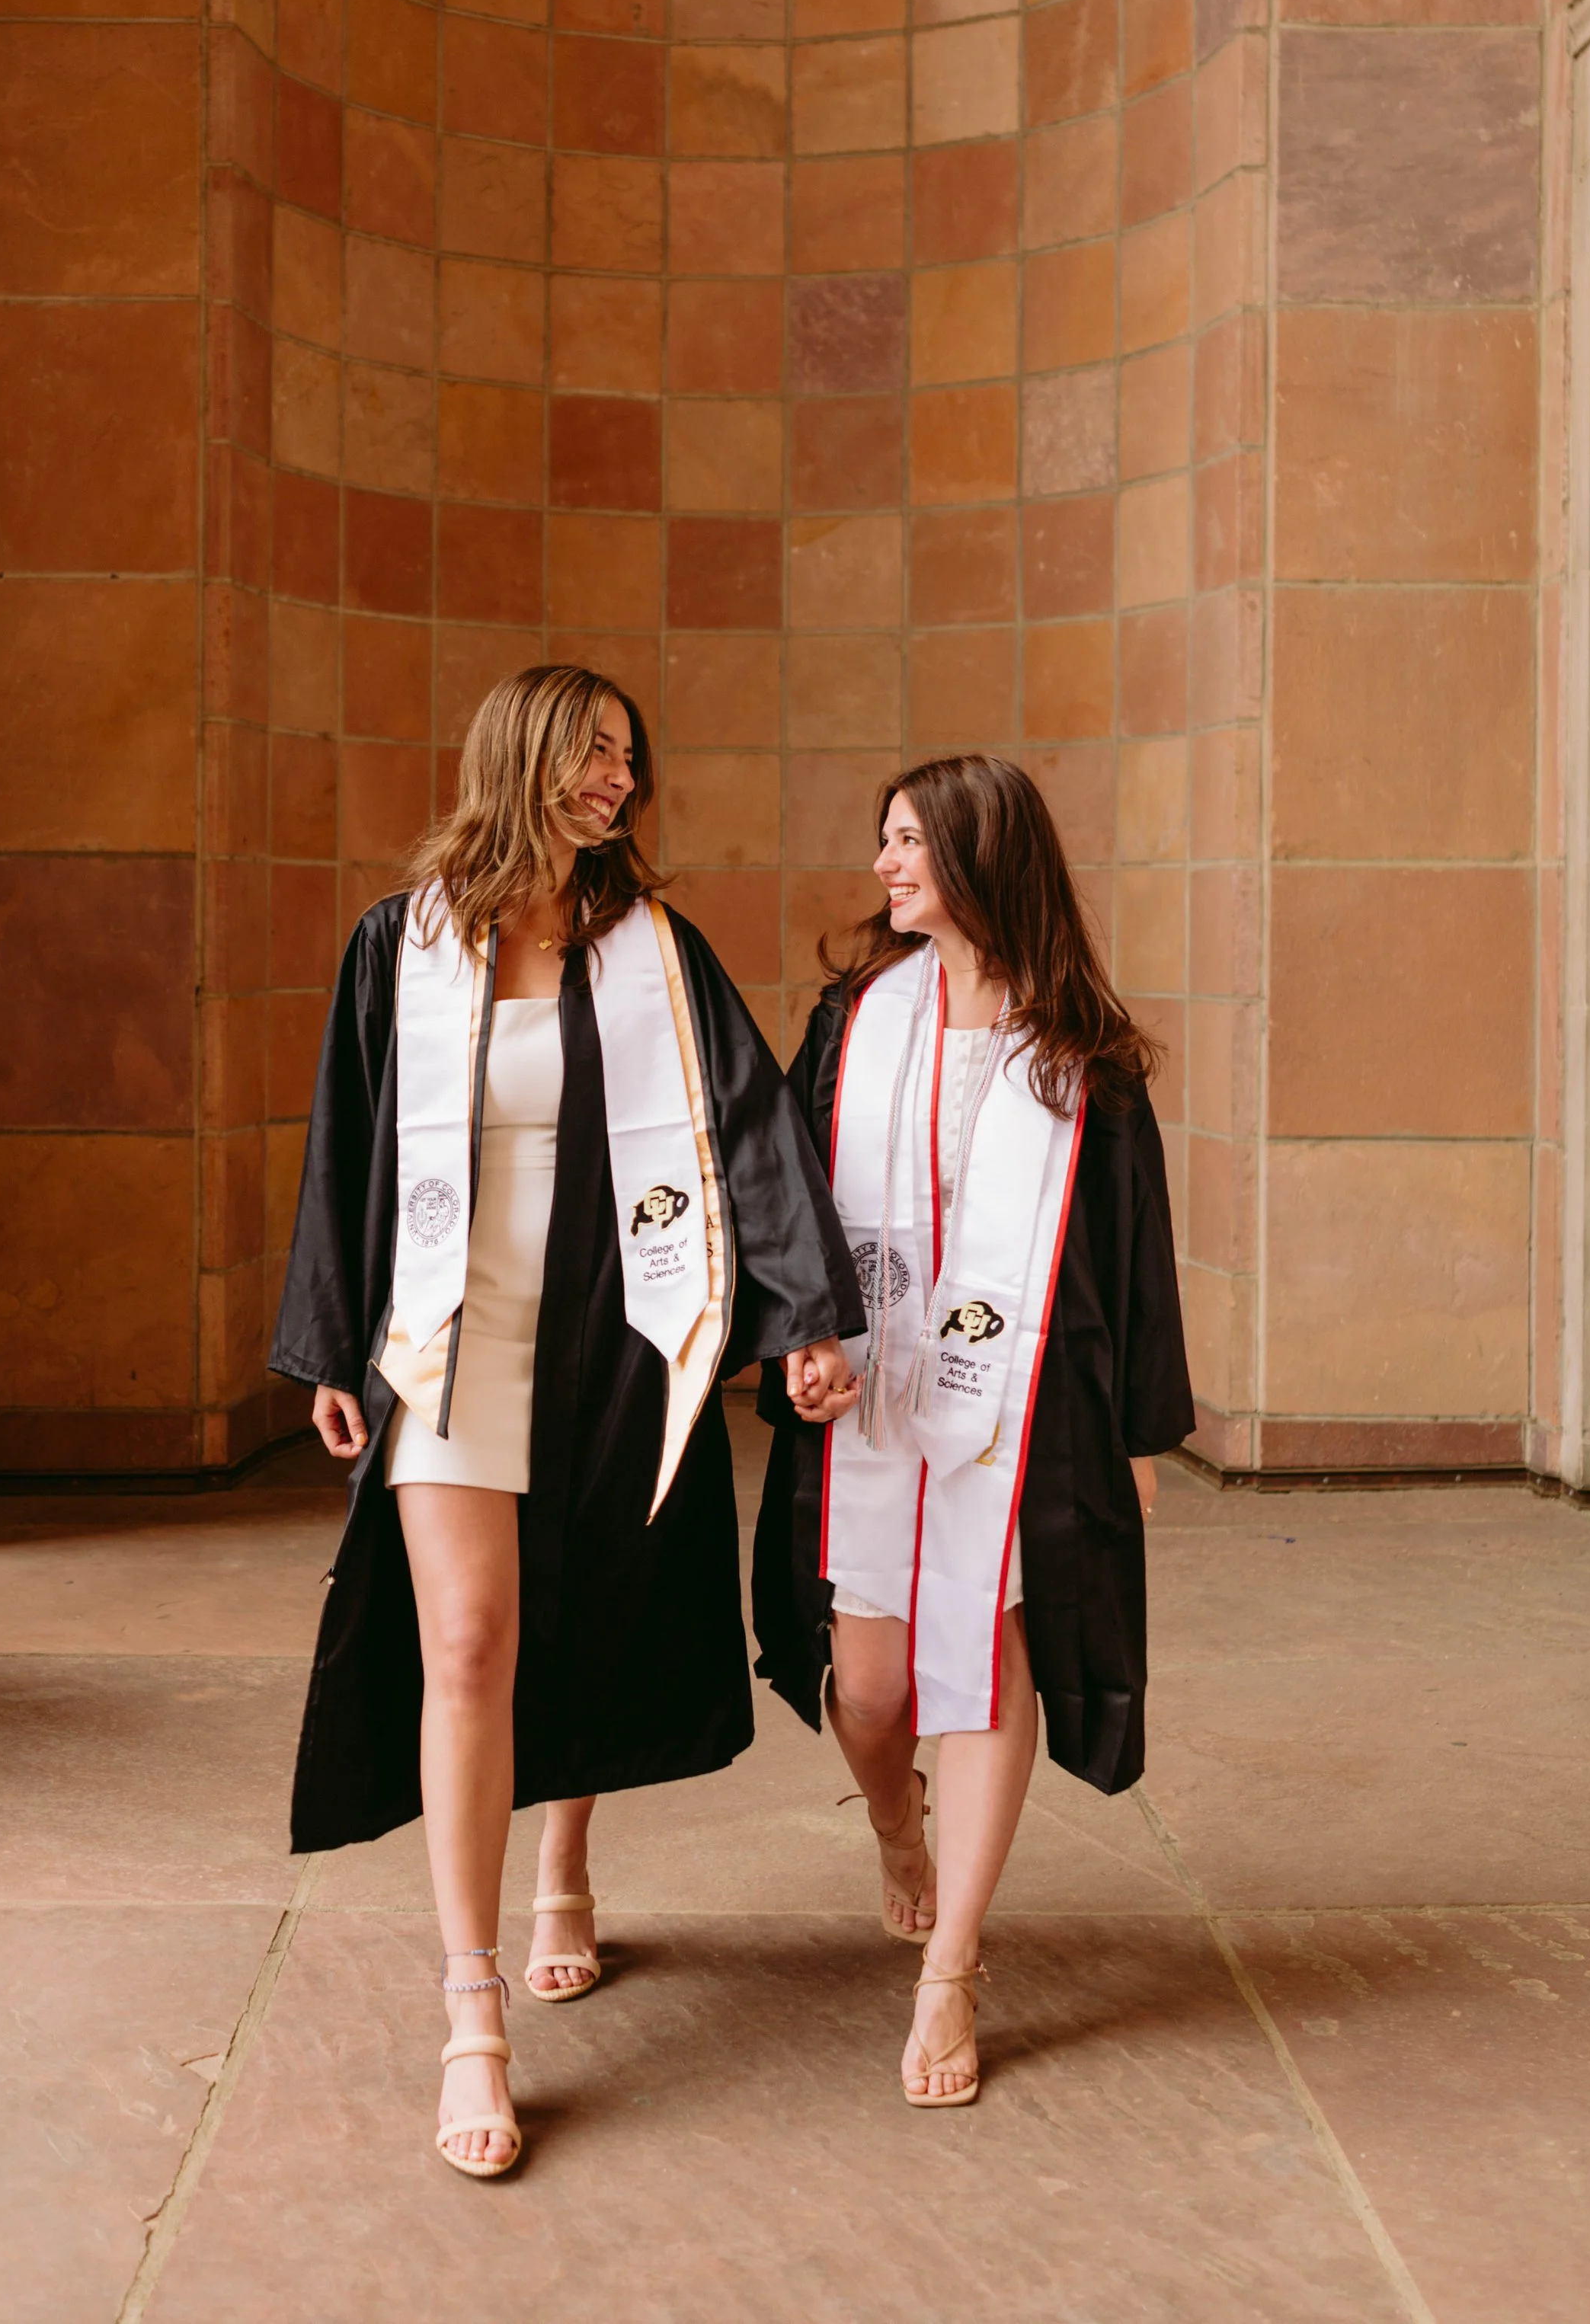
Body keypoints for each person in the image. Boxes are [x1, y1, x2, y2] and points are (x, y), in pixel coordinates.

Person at [271, 664, 860, 2179]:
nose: (617, 780)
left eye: (626, 760)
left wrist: (799, 1316)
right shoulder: (397, 946)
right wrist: (331, 1336)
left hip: (614, 1335)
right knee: (466, 1637)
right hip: (447, 1337)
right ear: (519, 758)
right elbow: (344, 1140)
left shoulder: (651, 953)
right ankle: (471, 2010)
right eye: (592, 755)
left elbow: (748, 1132)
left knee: (574, 1607)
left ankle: (568, 1862)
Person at [752, 755, 1194, 2108]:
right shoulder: (855, 1017)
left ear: (979, 857)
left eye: (908, 844)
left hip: (1018, 1410)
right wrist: (799, 1348)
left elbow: (1132, 1257)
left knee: (986, 1667)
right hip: (873, 1396)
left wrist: (1135, 1437)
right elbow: (783, 1200)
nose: (885, 867)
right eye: (882, 841)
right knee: (875, 1691)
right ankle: (899, 1826)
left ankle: (954, 1965)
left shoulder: (1082, 1059)